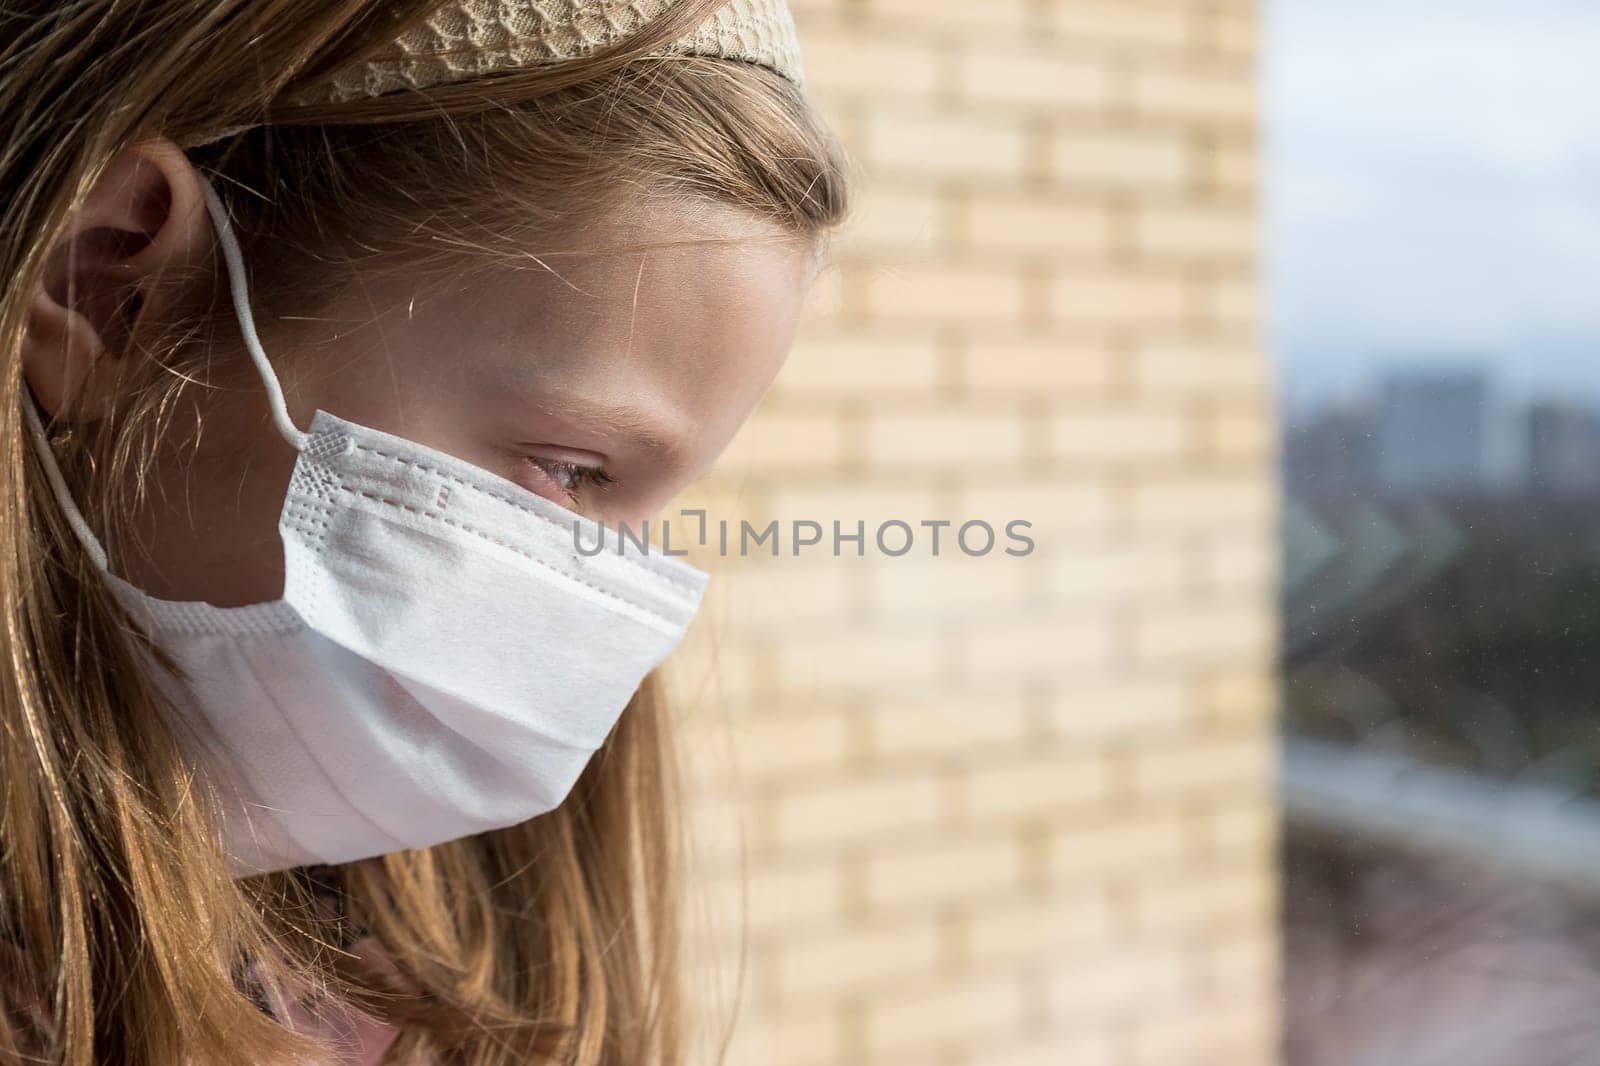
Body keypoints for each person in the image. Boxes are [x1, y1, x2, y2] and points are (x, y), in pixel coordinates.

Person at [0, 0, 850, 1062]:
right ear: (113, 289)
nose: (603, 597)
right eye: (572, 471)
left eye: (649, 515)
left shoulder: (425, 959)